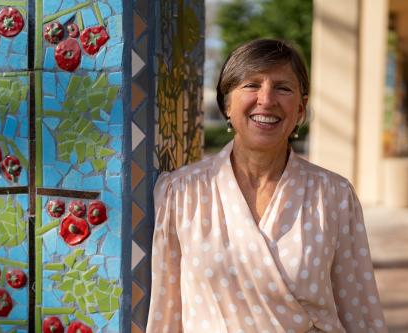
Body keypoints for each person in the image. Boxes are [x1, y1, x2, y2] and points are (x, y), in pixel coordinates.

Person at [146, 39, 387, 333]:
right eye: (251, 85)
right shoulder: (181, 193)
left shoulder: (333, 195)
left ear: (301, 108)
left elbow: (360, 312)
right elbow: (166, 313)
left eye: (283, 88)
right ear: (226, 104)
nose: (267, 99)